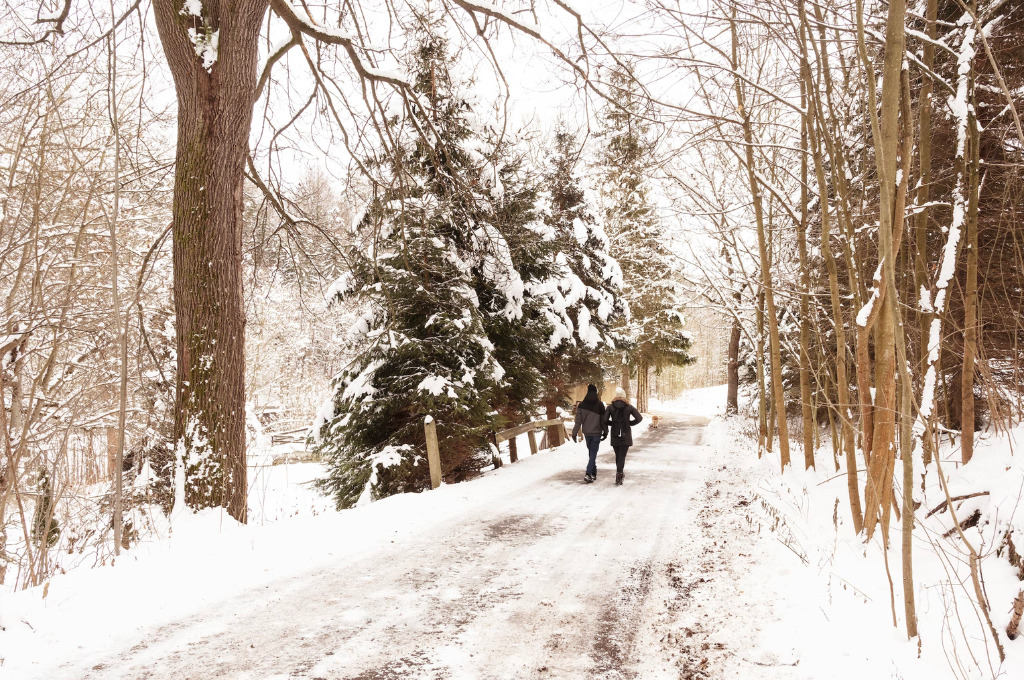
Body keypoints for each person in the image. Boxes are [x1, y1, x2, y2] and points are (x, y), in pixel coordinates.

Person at [604, 387, 642, 486]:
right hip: (625, 434)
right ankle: (619, 474)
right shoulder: (629, 407)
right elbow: (639, 418)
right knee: (622, 456)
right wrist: (630, 423)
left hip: (615, 434)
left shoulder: (610, 407)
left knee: (618, 455)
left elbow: (604, 420)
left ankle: (619, 473)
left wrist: (613, 423)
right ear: (624, 397)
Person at [571, 384, 607, 483]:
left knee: (592, 453)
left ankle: (592, 473)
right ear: (595, 392)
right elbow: (603, 420)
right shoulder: (599, 405)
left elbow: (578, 421)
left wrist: (574, 433)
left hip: (587, 433)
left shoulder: (582, 405)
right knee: (593, 453)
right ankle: (589, 473)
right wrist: (606, 432)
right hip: (596, 432)